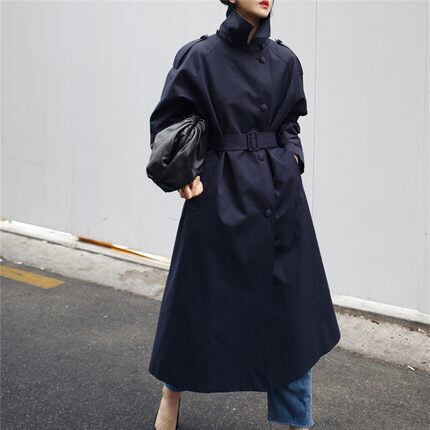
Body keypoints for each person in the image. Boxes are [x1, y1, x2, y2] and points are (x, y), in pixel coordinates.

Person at [149, 1, 341, 429]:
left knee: (289, 320)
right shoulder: (199, 57)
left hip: (280, 199)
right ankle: (171, 394)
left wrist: (292, 158)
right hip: (219, 197)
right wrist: (184, 174)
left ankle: (296, 422)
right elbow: (168, 124)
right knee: (194, 308)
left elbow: (290, 122)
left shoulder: (285, 60)